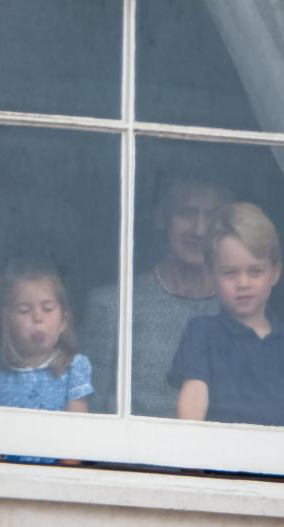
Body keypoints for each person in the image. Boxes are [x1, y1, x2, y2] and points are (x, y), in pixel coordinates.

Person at [170, 202, 284, 429]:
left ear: (274, 273)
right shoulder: (202, 333)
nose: (243, 283)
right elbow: (192, 404)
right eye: (230, 273)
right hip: (222, 457)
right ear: (210, 274)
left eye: (255, 271)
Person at [82, 175, 233, 417]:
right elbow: (90, 410)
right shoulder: (113, 306)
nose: (200, 229)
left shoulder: (237, 312)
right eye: (186, 213)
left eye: (212, 217)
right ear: (161, 218)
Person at [0, 256, 92, 413]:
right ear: (7, 321)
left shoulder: (74, 369)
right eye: (24, 310)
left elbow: (77, 428)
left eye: (48, 308)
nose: (38, 318)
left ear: (63, 321)